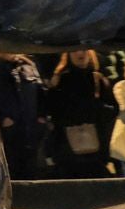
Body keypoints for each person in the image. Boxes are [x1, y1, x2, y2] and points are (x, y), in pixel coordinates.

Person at [46, 50, 115, 178]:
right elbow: (54, 110)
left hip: (96, 143)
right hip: (69, 144)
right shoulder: (62, 79)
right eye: (74, 51)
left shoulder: (97, 78)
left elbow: (112, 107)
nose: (79, 54)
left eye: (83, 50)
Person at [0, 53, 47, 179]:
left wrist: (41, 118)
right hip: (7, 133)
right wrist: (3, 118)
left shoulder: (28, 64)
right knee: (10, 170)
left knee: (30, 170)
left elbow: (40, 91)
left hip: (30, 129)